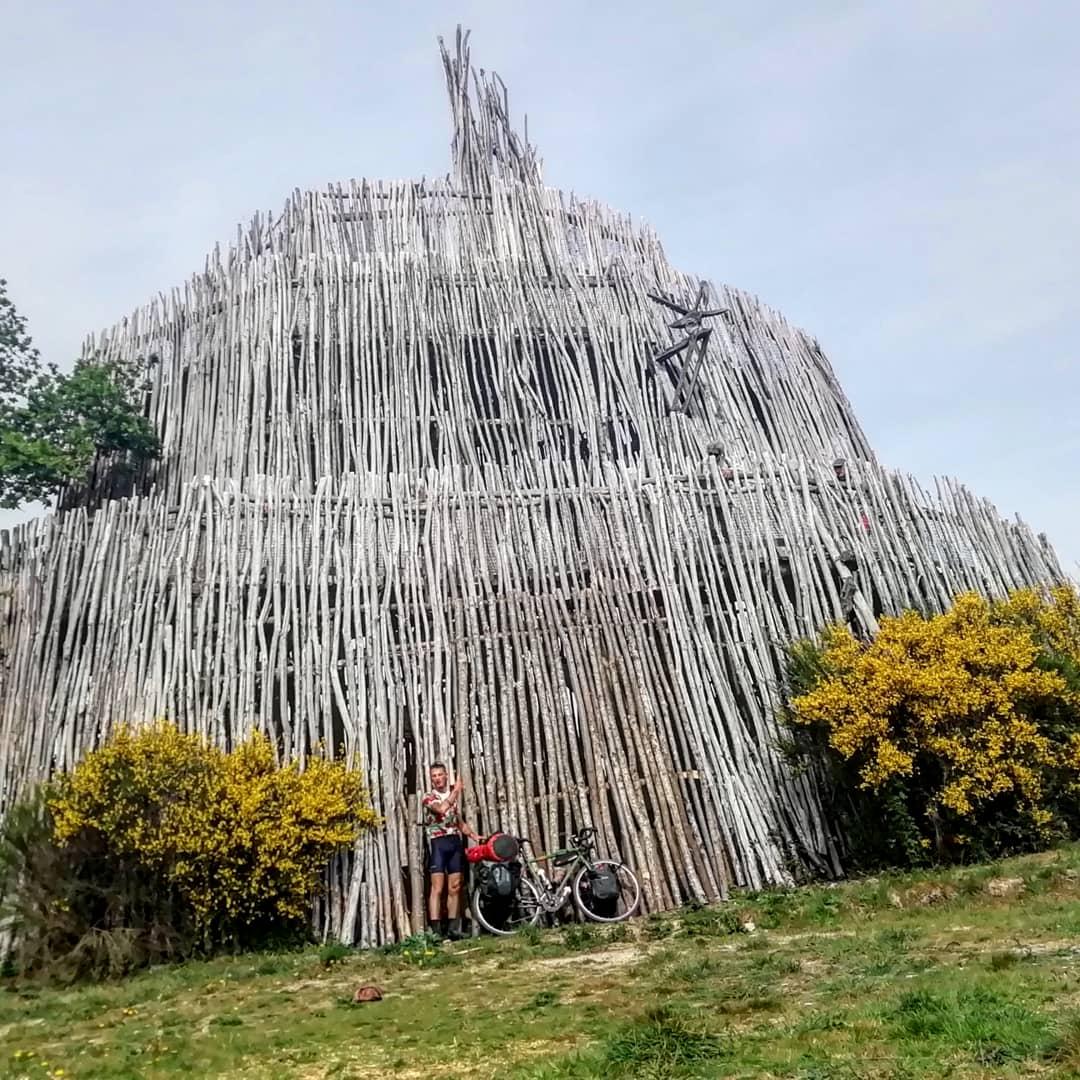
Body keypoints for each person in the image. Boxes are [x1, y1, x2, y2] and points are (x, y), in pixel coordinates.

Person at [423, 762, 480, 940]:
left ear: (446, 775)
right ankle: (436, 931)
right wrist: (456, 791)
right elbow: (441, 809)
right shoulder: (428, 797)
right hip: (438, 844)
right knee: (437, 888)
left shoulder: (452, 798)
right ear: (431, 780)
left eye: (440, 775)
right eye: (434, 776)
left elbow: (459, 822)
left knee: (455, 887)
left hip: (454, 843)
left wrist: (473, 835)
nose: (438, 779)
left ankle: (453, 930)